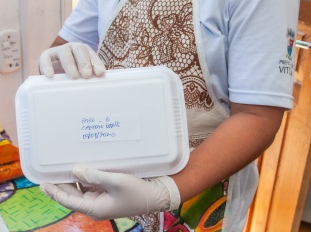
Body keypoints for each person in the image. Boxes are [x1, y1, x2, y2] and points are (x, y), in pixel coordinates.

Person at [38, 0, 300, 231]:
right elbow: (65, 49)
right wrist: (56, 68)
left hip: (197, 199)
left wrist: (165, 191)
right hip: (105, 182)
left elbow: (257, 116)